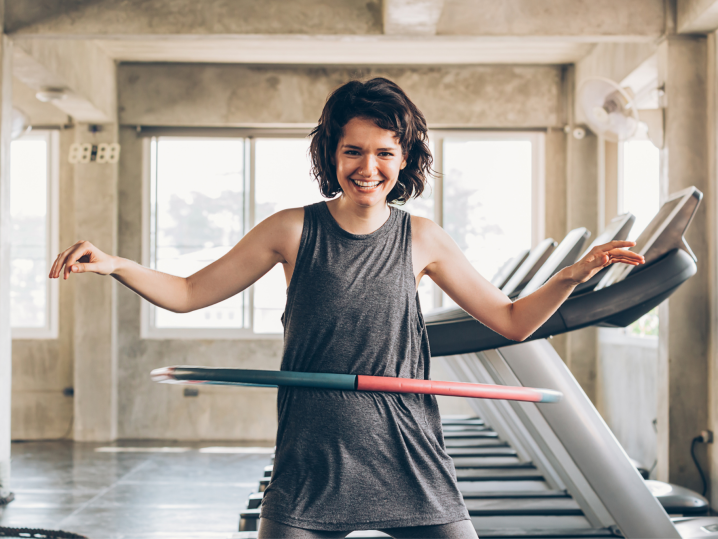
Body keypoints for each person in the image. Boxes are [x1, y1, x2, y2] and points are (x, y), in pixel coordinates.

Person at [49, 78, 644, 539]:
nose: (368, 168)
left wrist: (573, 274)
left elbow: (513, 322)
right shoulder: (290, 229)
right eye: (352, 151)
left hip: (409, 453)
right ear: (330, 154)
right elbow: (186, 294)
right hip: (311, 456)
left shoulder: (424, 239)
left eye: (384, 152)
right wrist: (117, 264)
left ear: (405, 157)